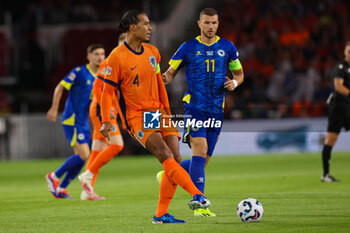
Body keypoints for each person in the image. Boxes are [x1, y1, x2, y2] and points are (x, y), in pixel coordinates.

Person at [88, 9, 211, 223]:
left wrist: (167, 112)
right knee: (165, 155)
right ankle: (197, 195)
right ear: (132, 27)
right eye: (145, 24)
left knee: (176, 158)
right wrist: (107, 120)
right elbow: (107, 92)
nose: (150, 28)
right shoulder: (115, 58)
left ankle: (161, 214)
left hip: (159, 112)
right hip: (137, 115)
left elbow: (158, 84)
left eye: (149, 24)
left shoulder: (152, 52)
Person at [161, 8, 244, 217]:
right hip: (194, 107)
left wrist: (234, 82)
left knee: (203, 160)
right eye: (207, 23)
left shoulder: (228, 47)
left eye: (214, 23)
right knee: (200, 147)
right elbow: (171, 72)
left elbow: (239, 73)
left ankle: (171, 174)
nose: (211, 27)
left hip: (217, 109)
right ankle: (199, 202)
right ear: (199, 24)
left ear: (218, 23)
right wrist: (163, 78)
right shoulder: (187, 48)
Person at [45, 44, 105, 198]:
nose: (100, 57)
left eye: (102, 54)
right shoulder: (79, 72)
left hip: (84, 121)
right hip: (72, 119)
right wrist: (54, 108)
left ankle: (60, 188)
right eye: (96, 54)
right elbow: (60, 87)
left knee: (81, 158)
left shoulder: (102, 76)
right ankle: (54, 176)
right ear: (89, 56)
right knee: (85, 155)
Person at [79, 33, 126, 201]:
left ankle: (87, 191)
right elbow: (97, 88)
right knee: (117, 145)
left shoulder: (123, 62)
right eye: (124, 43)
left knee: (97, 149)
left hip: (104, 109)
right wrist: (110, 108)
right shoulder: (110, 63)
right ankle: (88, 175)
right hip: (102, 110)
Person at [321, 41, 350, 182]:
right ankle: (326, 174)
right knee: (331, 139)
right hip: (338, 107)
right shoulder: (340, 68)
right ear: (345, 52)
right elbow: (338, 87)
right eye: (349, 51)